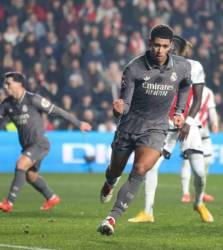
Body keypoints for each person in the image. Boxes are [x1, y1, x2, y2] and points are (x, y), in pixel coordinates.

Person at [97, 24, 202, 236]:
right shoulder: (133, 68)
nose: (160, 50)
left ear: (171, 46)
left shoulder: (182, 67)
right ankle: (110, 181)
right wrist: (118, 110)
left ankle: (112, 218)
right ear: (149, 43)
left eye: (164, 46)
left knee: (140, 170)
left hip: (156, 129)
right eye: (156, 45)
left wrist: (180, 111)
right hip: (129, 127)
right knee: (116, 170)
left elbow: (185, 85)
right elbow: (125, 105)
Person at [128, 35, 214, 224]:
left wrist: (188, 122)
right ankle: (148, 211)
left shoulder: (195, 67)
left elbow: (197, 99)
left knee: (199, 172)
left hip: (188, 125)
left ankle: (198, 203)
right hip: (163, 125)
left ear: (179, 50)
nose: (165, 51)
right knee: (150, 166)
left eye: (170, 48)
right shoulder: (157, 67)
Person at [0, 72, 92, 213]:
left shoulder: (33, 99)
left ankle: (9, 203)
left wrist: (78, 123)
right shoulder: (7, 104)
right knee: (31, 176)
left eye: (8, 83)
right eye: (5, 84)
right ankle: (51, 197)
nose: (5, 86)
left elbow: (57, 111)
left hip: (40, 144)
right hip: (26, 146)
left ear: (19, 84)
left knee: (21, 164)